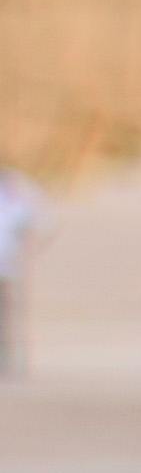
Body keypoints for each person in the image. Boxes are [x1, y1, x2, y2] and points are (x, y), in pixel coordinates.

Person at [0, 160, 41, 374]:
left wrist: (28, 254)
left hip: (10, 265)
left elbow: (35, 227)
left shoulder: (24, 194)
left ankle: (15, 360)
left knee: (12, 313)